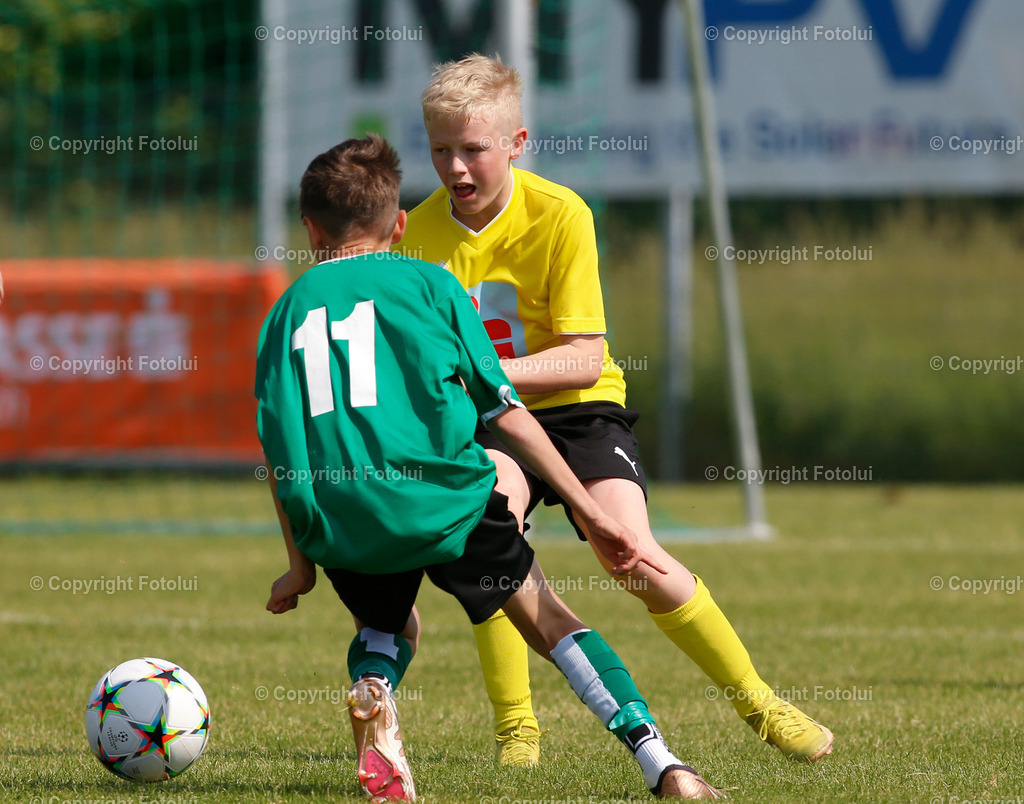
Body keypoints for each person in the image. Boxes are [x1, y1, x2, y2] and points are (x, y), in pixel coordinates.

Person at [256, 135, 723, 801]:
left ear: (309, 229)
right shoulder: (431, 285)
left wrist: (300, 565)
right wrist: (590, 510)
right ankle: (661, 761)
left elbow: (279, 448)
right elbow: (505, 413)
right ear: (400, 225)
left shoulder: (284, 314)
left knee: (390, 626)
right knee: (552, 622)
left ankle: (375, 685)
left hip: (346, 521)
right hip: (447, 503)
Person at [399, 54, 833, 767]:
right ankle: (517, 730)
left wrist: (483, 373)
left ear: (517, 142)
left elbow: (580, 357)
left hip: (579, 409)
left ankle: (759, 703)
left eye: (473, 149)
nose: (456, 167)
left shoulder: (561, 214)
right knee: (491, 531)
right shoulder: (414, 237)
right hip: (491, 422)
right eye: (440, 149)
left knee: (630, 553)